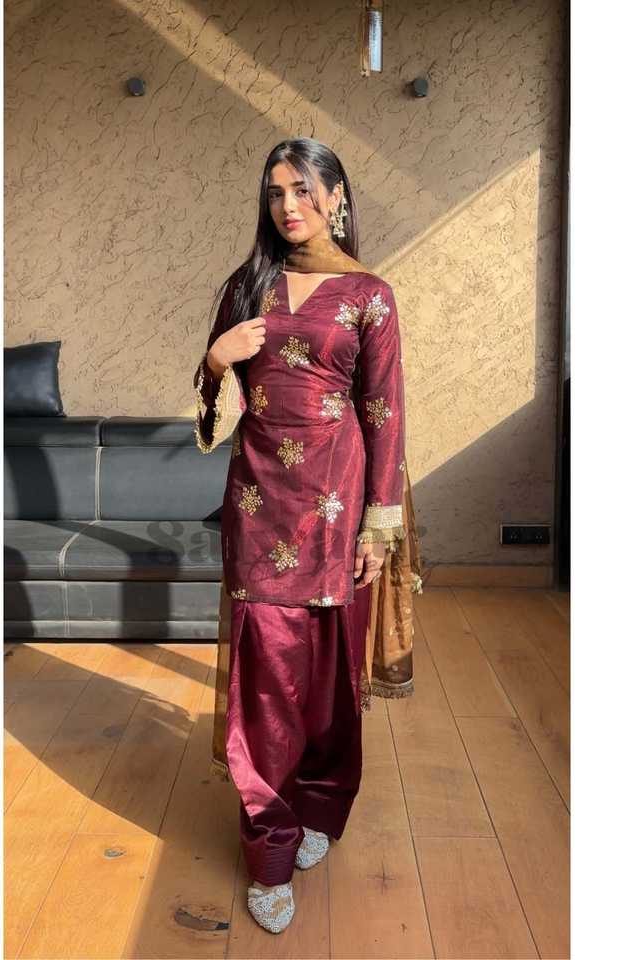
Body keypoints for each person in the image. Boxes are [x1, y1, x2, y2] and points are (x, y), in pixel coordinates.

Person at [192, 137, 417, 934]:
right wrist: (217, 359)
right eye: (275, 193)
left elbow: (383, 413)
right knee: (265, 686)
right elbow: (211, 408)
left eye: (302, 189)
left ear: (337, 196)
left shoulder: (371, 295)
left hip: (339, 507)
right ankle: (269, 851)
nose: (288, 206)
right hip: (261, 503)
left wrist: (379, 526)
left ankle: (319, 804)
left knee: (328, 680)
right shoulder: (248, 284)